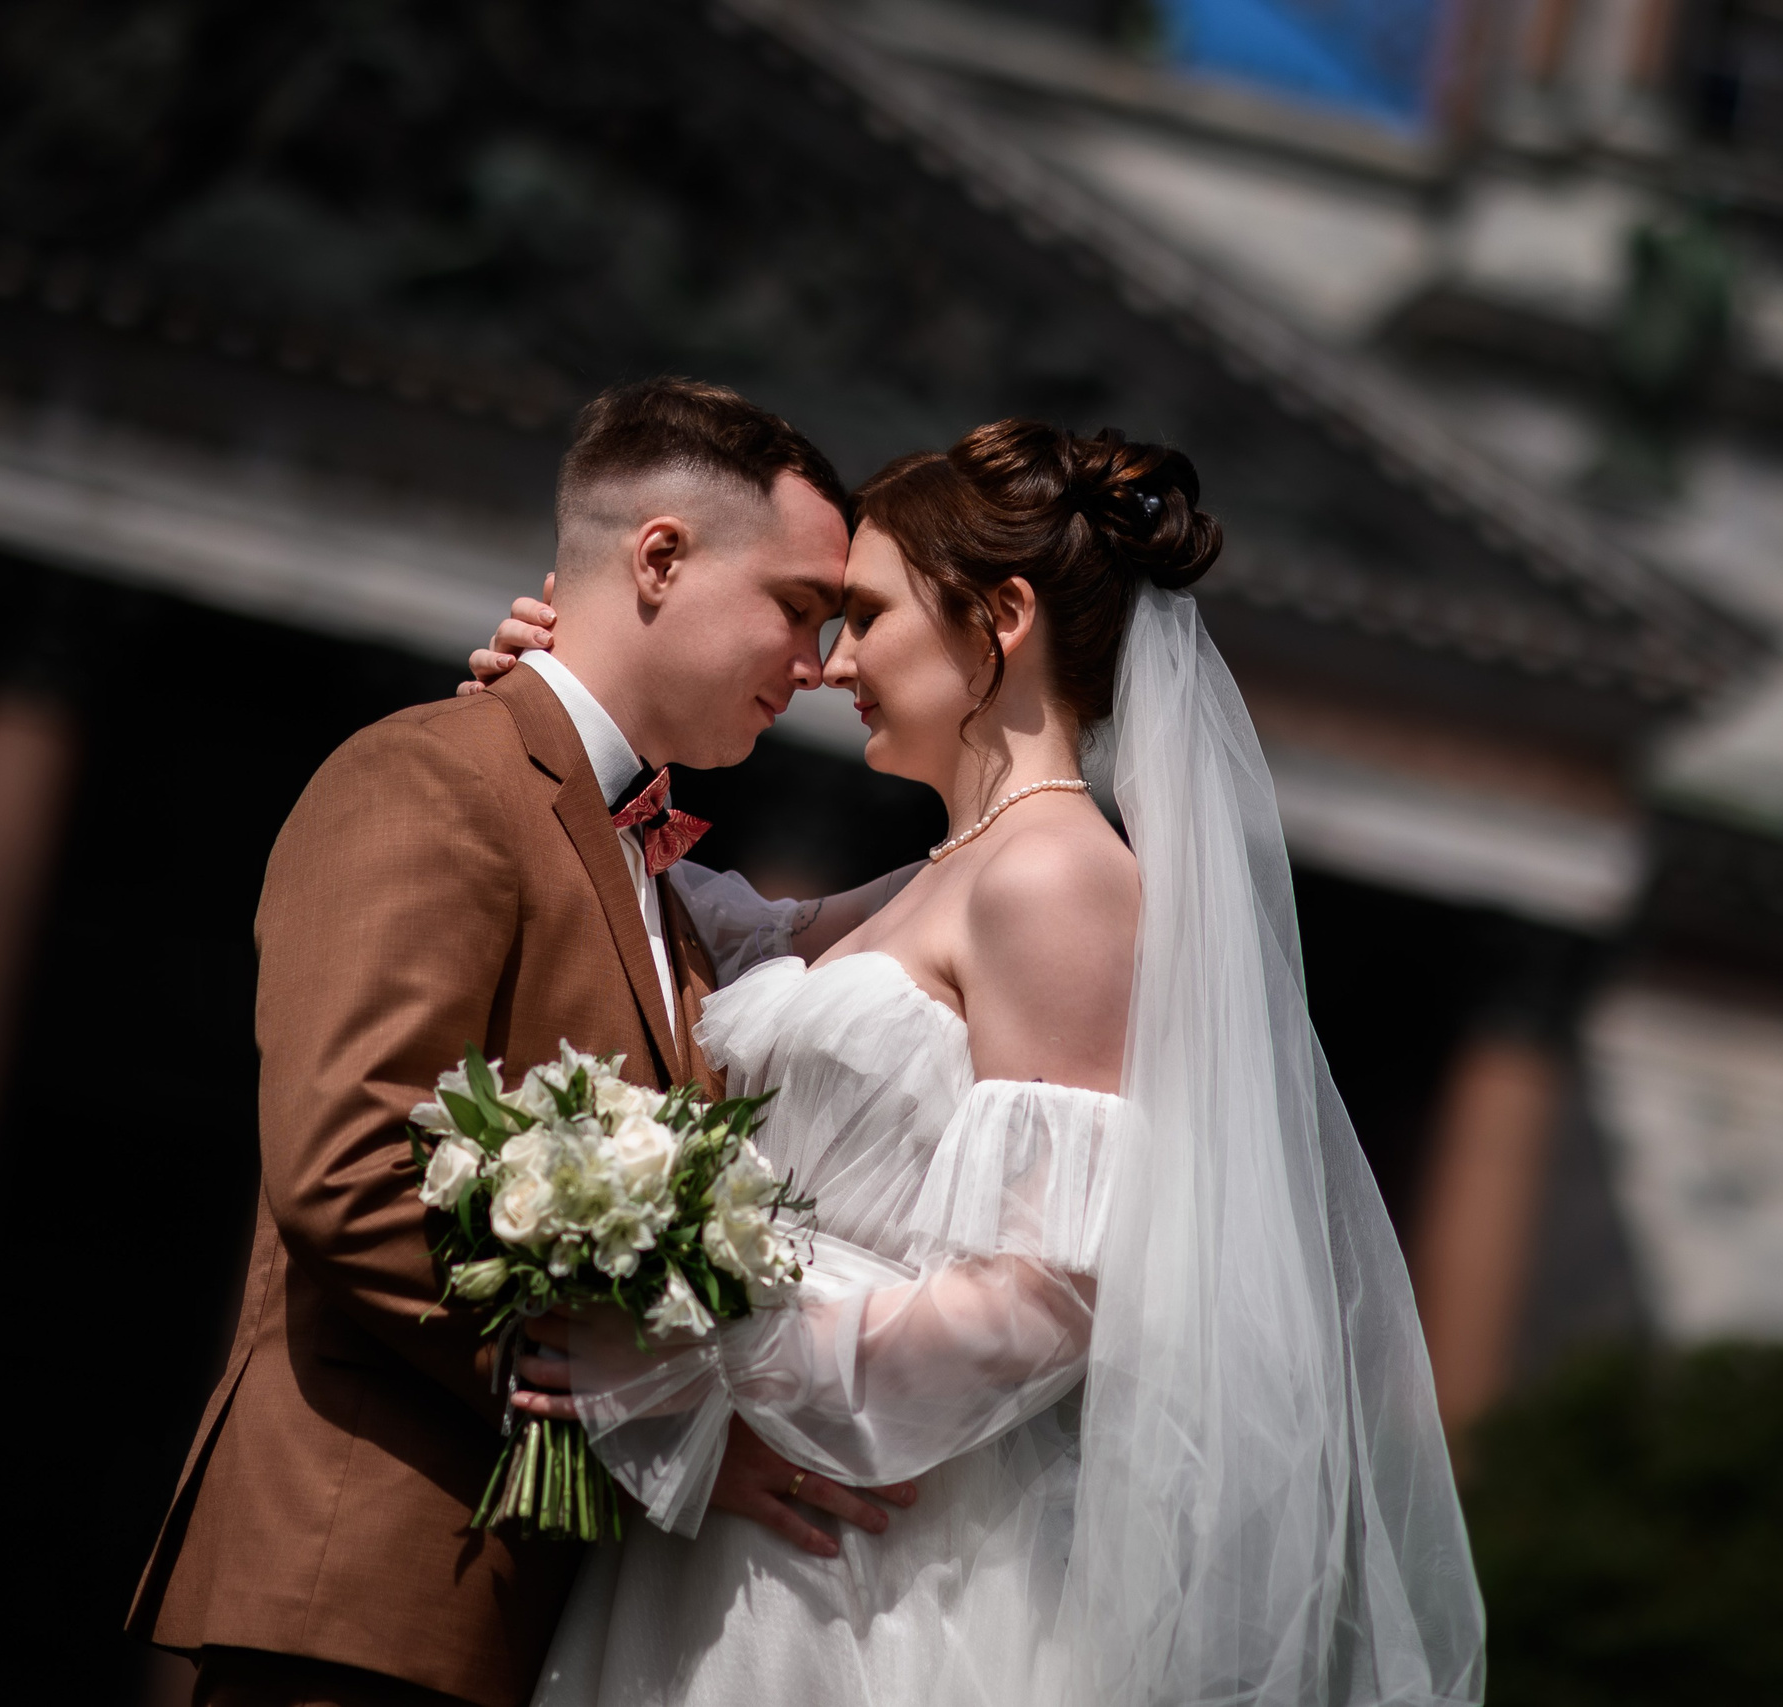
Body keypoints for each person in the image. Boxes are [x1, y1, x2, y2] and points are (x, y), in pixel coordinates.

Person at [472, 419, 1486, 1706]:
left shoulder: (1058, 877)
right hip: (763, 1523)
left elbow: (1048, 1297)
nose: (832, 664)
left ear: (999, 617)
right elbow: (685, 929)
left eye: (866, 616)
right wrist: (563, 720)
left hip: (861, 1563)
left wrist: (693, 1366)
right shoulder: (948, 872)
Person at [131, 378, 920, 1707]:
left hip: (523, 1614)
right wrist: (637, 1408)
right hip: (370, 1589)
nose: (815, 664)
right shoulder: (435, 774)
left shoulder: (652, 868)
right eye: (797, 606)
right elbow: (349, 1167)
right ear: (659, 558)